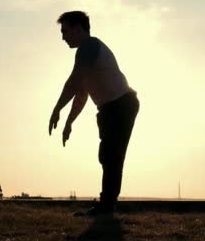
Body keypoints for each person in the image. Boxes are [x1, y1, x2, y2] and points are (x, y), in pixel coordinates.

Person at [49, 11, 139, 216]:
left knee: (112, 155)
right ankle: (107, 204)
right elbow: (82, 93)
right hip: (110, 108)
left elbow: (73, 81)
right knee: (107, 155)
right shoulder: (85, 54)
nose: (62, 37)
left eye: (65, 31)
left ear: (78, 28)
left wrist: (57, 109)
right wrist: (69, 122)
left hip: (121, 105)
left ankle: (106, 206)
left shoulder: (88, 46)